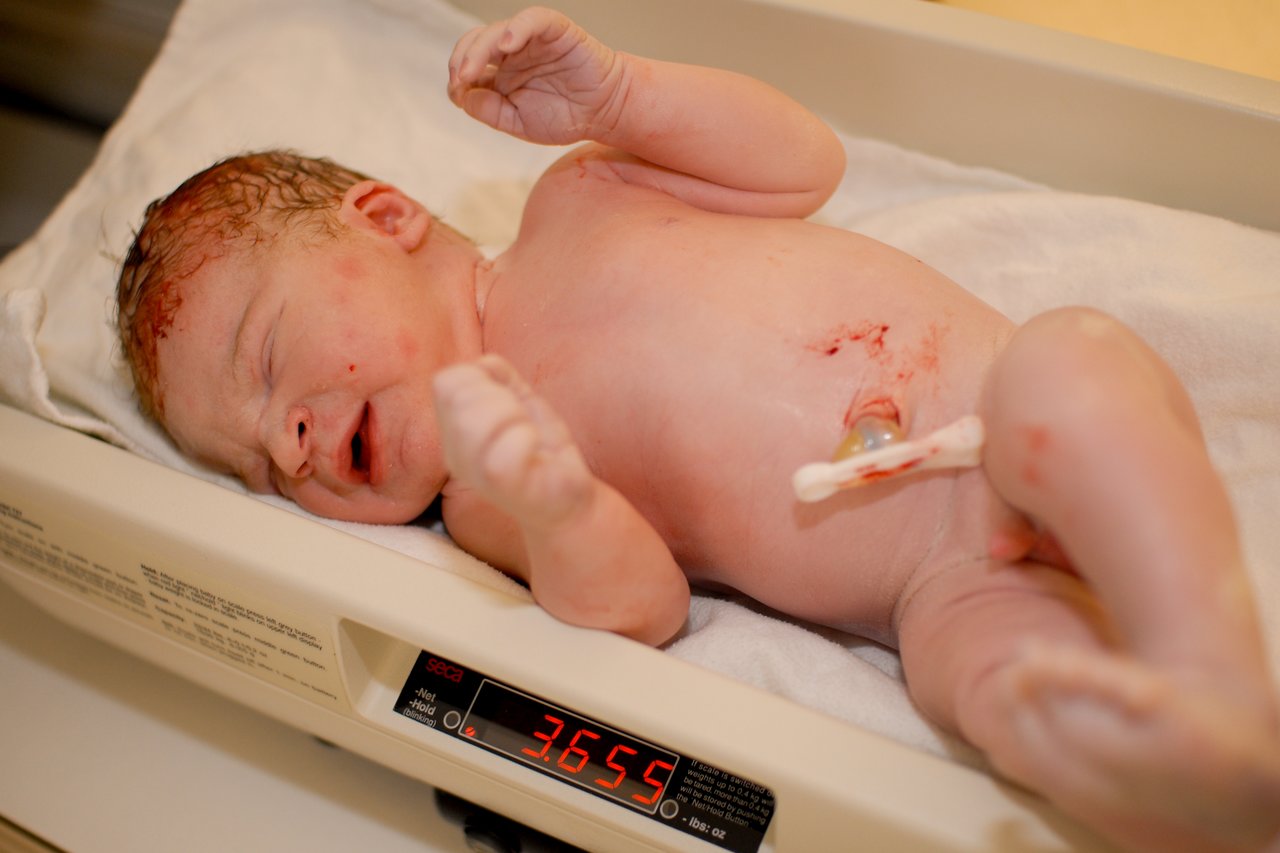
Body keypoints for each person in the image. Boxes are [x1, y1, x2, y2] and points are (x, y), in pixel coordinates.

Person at [115, 7, 1279, 849]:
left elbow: (799, 164)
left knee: (1073, 360)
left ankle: (1206, 665)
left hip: (1006, 411)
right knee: (983, 689)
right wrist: (556, 503)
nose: (293, 443)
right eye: (260, 463)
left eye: (270, 363)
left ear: (386, 217)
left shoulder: (580, 195)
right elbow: (642, 607)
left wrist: (622, 96)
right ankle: (1176, 788)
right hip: (933, 582)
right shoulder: (484, 499)